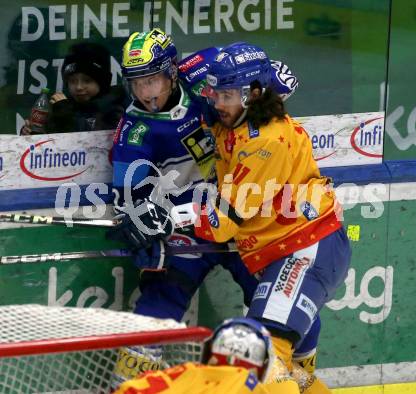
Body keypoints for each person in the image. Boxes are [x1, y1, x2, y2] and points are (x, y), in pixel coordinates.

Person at [120, 42, 352, 393]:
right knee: (283, 364)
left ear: (253, 94)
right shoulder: (235, 117)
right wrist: (139, 216)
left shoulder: (263, 144)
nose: (216, 102)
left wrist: (167, 219)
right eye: (215, 92)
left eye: (226, 95)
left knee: (267, 355)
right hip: (276, 245)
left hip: (302, 246)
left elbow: (222, 221)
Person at [106, 28, 298, 388]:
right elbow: (128, 196)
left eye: (153, 80)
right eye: (137, 84)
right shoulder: (132, 132)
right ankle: (126, 386)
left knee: (278, 302)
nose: (146, 93)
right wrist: (140, 221)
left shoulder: (204, 69)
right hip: (188, 229)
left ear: (173, 71)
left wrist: (270, 79)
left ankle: (293, 381)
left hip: (240, 216)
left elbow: (252, 71)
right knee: (157, 310)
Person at [113, 317, 300, 394]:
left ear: (210, 353)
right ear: (263, 365)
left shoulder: (182, 375)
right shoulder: (282, 388)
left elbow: (129, 389)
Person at [21, 42, 127, 134]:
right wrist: (32, 134)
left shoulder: (114, 110)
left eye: (87, 81)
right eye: (72, 81)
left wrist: (65, 114)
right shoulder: (61, 107)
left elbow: (93, 144)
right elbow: (49, 147)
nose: (79, 87)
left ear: (102, 83)